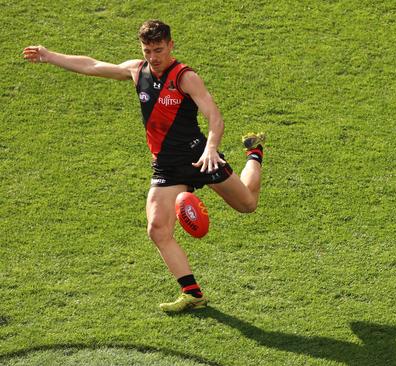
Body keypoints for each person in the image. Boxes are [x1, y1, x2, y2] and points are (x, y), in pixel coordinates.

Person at [23, 20, 266, 313]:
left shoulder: (185, 77)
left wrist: (212, 147)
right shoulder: (137, 71)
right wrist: (50, 56)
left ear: (171, 45)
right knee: (157, 229)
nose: (153, 57)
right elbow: (93, 65)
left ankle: (254, 152)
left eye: (159, 50)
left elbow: (214, 116)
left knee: (248, 204)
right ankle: (193, 294)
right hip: (166, 166)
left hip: (199, 157)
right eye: (148, 50)